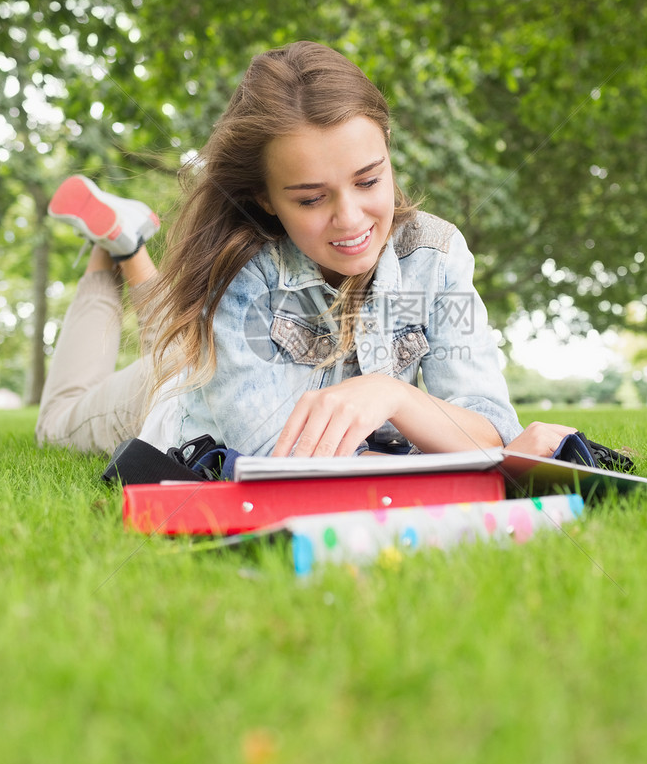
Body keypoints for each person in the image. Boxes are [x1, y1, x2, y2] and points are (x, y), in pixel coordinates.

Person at [37, 41, 575, 461]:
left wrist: (393, 395)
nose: (350, 219)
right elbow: (273, 452)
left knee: (177, 339)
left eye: (368, 181)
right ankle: (117, 248)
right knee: (57, 422)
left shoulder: (436, 254)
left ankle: (126, 242)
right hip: (183, 399)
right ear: (265, 199)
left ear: (388, 150)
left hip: (203, 350)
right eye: (312, 198)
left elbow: (491, 426)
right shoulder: (240, 268)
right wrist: (450, 440)